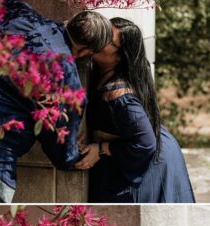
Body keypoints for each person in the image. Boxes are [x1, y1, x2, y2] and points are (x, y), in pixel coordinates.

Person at [0, 3, 113, 202]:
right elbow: (62, 152)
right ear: (84, 52)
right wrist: (78, 154)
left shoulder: (18, 11)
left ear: (70, 21)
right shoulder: (68, 82)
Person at [75, 17, 195, 203]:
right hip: (135, 145)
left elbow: (146, 143)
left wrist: (100, 149)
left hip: (151, 159)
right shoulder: (99, 70)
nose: (100, 39)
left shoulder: (119, 95)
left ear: (119, 56)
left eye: (108, 40)